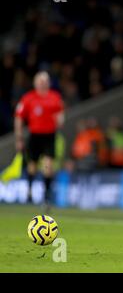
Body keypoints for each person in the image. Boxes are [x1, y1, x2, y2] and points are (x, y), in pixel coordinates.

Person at [14, 71, 65, 209]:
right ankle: (29, 190)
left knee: (48, 165)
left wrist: (60, 121)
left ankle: (46, 195)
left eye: (45, 81)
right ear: (35, 83)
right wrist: (18, 138)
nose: (42, 83)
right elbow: (19, 118)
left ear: (48, 83)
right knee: (32, 165)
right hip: (34, 136)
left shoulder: (55, 97)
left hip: (49, 136)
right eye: (40, 81)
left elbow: (60, 116)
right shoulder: (28, 98)